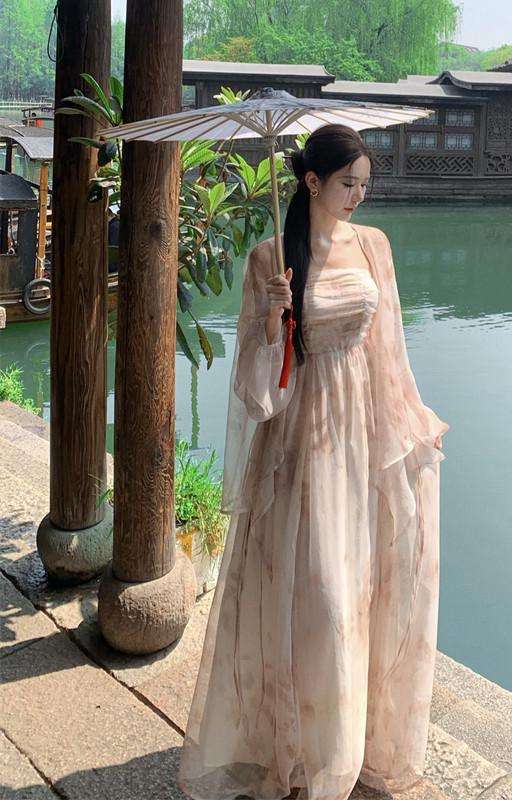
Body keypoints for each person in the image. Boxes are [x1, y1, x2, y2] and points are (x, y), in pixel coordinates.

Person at [178, 124, 448, 800]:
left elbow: (390, 351)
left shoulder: (375, 247)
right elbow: (256, 389)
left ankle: (344, 747)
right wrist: (273, 322)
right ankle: (301, 748)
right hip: (302, 443)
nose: (358, 196)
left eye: (364, 185)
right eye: (348, 184)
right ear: (312, 181)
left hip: (363, 435)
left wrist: (412, 425)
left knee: (360, 591)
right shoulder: (270, 259)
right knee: (319, 597)